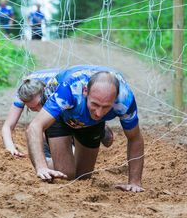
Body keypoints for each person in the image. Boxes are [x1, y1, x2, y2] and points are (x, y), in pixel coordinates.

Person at [26, 65, 145, 193]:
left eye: (106, 107)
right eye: (95, 104)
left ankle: (94, 128)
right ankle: (45, 151)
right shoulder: (69, 90)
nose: (99, 112)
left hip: (90, 121)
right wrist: (42, 167)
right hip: (61, 113)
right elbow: (34, 127)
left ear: (115, 99)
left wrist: (134, 182)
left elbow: (135, 137)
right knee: (66, 174)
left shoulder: (125, 100)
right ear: (85, 92)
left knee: (83, 177)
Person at [2, 68, 114, 162]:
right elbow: (7, 126)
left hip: (76, 86)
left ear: (45, 94)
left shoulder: (60, 88)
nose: (39, 110)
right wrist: (10, 148)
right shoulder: (22, 94)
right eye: (32, 109)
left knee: (64, 120)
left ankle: (96, 126)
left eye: (40, 104)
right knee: (46, 125)